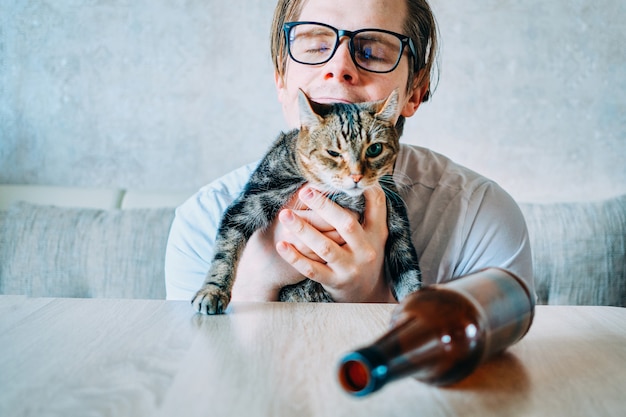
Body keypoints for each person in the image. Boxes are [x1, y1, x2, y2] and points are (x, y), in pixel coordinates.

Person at [165, 0, 535, 303]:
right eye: (314, 47)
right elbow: (202, 382)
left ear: (415, 91)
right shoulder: (199, 221)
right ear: (281, 79)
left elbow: (499, 383)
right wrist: (256, 281)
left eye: (372, 51)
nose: (338, 68)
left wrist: (371, 297)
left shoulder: (482, 217)